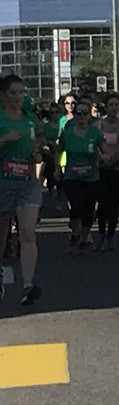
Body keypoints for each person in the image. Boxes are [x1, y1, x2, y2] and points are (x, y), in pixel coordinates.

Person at [0, 74, 44, 304]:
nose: (18, 97)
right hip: (3, 183)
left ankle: (28, 284)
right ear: (3, 96)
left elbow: (39, 136)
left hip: (27, 183)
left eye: (21, 93)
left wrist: (37, 152)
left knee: (27, 232)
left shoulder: (29, 118)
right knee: (3, 234)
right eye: (13, 93)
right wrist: (5, 138)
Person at [58, 99, 105, 254]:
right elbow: (59, 151)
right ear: (75, 114)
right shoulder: (67, 133)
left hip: (91, 177)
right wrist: (57, 168)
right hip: (72, 176)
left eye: (85, 113)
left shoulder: (95, 133)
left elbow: (104, 151)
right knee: (76, 206)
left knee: (89, 211)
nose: (82, 116)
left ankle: (83, 240)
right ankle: (75, 233)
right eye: (79, 113)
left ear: (89, 115)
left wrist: (110, 158)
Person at [96, 94, 119, 250]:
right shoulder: (99, 125)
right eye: (111, 105)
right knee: (102, 203)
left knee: (114, 204)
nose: (114, 108)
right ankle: (101, 233)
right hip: (101, 168)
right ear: (106, 107)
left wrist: (115, 158)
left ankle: (111, 236)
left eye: (116, 104)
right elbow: (95, 143)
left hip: (117, 168)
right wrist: (103, 157)